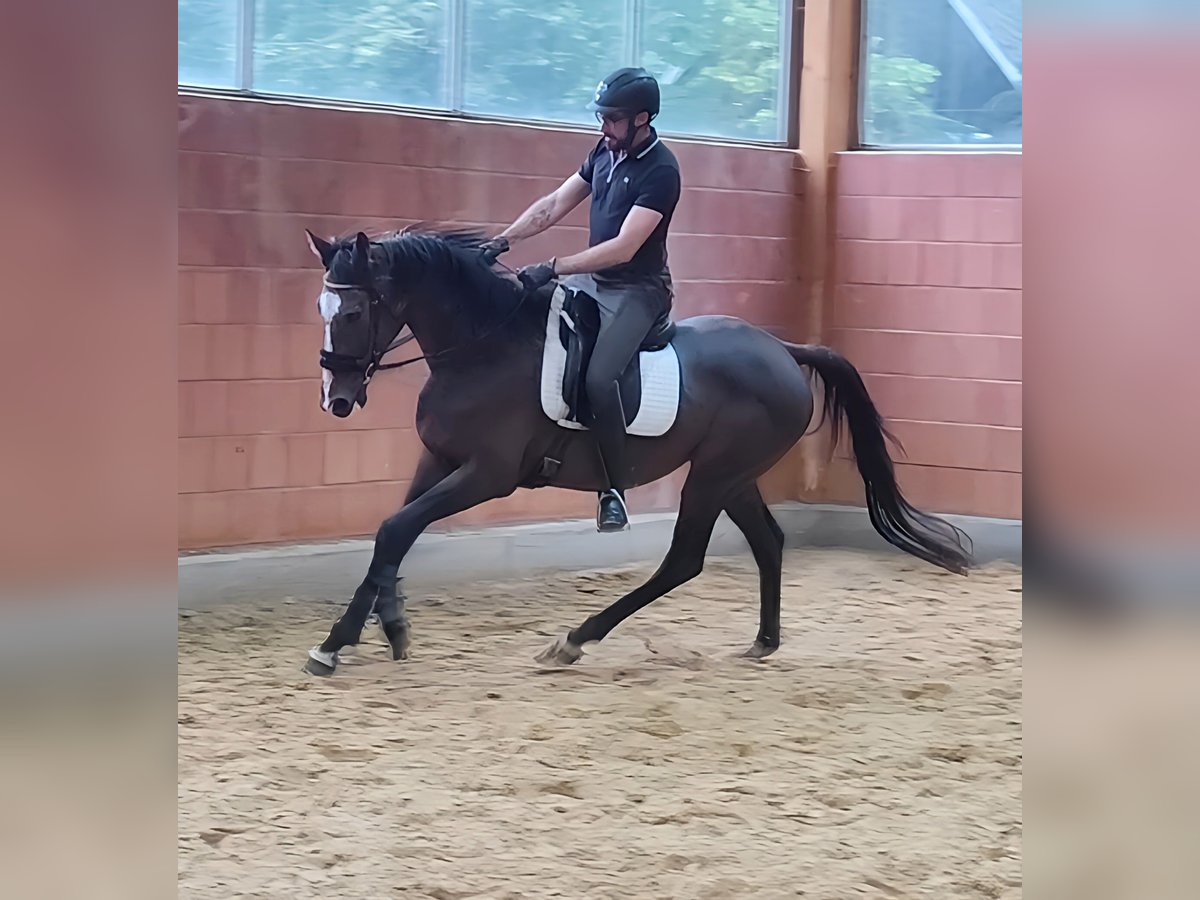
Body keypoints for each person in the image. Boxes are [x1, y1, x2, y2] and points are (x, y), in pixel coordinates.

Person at [481, 67, 682, 533]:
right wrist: (501, 242)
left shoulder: (661, 170)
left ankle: (613, 490)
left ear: (642, 119)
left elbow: (624, 247)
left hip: (637, 290)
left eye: (612, 119)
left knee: (599, 377)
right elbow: (552, 205)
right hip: (595, 283)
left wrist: (553, 266)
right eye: (602, 118)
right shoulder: (602, 153)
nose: (603, 127)